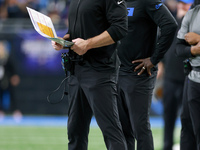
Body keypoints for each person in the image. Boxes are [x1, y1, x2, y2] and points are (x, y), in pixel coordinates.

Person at [51, 0, 128, 150]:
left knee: (111, 131)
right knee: (75, 132)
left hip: (99, 70)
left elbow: (120, 28)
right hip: (76, 69)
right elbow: (80, 28)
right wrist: (65, 40)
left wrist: (88, 44)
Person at [116, 0, 177, 149]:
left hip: (138, 73)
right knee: (122, 129)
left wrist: (155, 59)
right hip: (117, 72)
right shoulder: (116, 2)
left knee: (140, 128)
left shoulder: (147, 1)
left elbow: (170, 25)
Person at [157, 0, 193, 150]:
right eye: (180, 3)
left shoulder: (194, 24)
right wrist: (160, 63)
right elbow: (162, 43)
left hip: (189, 77)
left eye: (185, 4)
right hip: (171, 76)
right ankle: (167, 146)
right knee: (168, 116)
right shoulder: (171, 21)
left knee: (189, 118)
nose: (181, 6)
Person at [175, 0, 200, 149]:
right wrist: (192, 51)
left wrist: (198, 39)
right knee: (189, 123)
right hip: (194, 77)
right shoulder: (193, 12)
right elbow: (178, 49)